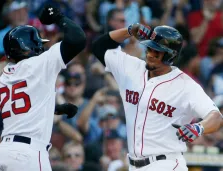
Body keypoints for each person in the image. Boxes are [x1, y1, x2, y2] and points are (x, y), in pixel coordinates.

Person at [91, 23, 223, 170]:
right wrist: (128, 31)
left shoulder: (186, 86)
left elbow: (216, 117)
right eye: (149, 48)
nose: (150, 54)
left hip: (166, 163)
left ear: (170, 55)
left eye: (157, 52)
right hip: (134, 164)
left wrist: (198, 127)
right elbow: (98, 46)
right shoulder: (131, 68)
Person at [0, 4, 86, 171]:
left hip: (2, 152)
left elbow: (23, 109)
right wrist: (58, 17)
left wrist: (55, 109)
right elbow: (78, 39)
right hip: (28, 153)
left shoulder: (4, 77)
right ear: (29, 47)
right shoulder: (39, 64)